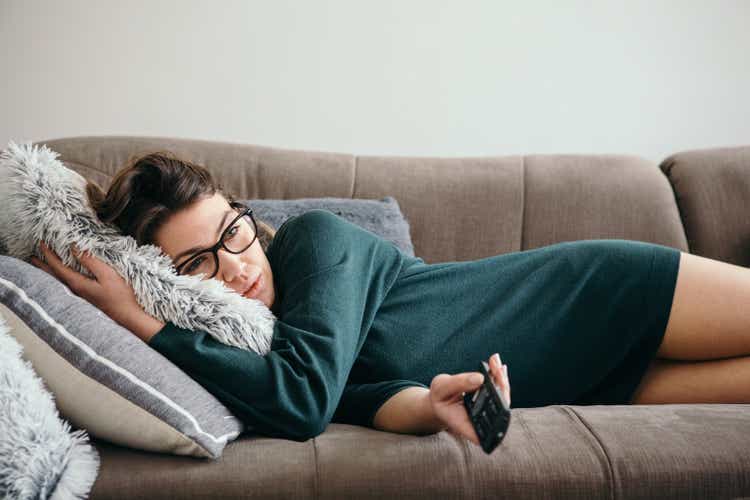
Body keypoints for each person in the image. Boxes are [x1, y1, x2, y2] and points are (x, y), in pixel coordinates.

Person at [30, 151, 750, 446]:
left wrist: (139, 320)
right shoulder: (280, 347)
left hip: (600, 295)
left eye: (234, 232)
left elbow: (303, 404)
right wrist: (430, 408)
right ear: (173, 279)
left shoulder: (314, 243)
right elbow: (355, 398)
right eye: (199, 262)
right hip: (601, 383)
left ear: (247, 215)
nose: (237, 266)